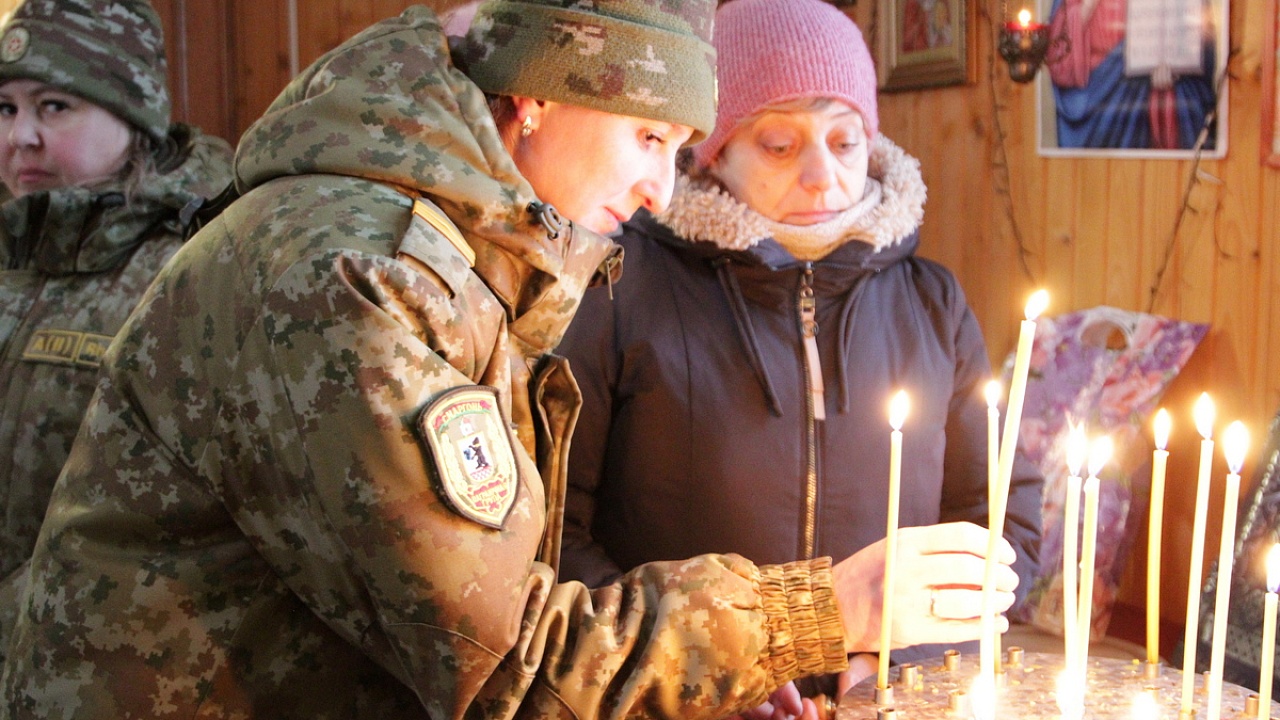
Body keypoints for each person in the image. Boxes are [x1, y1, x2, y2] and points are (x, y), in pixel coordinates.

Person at [2, 2, 1019, 718]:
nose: (662, 188)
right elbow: (507, 667)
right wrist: (819, 612)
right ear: (537, 97)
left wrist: (709, 677)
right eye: (648, 135)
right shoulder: (355, 277)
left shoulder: (467, 257)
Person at [556, 0, 1043, 703]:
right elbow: (559, 537)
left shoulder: (930, 301)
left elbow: (1002, 520)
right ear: (713, 153)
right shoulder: (619, 288)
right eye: (780, 145)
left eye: (844, 142)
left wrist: (911, 654)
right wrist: (715, 669)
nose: (822, 175)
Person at [0, 0, 232, 661]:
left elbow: (166, 527)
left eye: (54, 107)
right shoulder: (9, 254)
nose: (22, 137)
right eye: (5, 109)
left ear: (136, 120)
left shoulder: (191, 272)